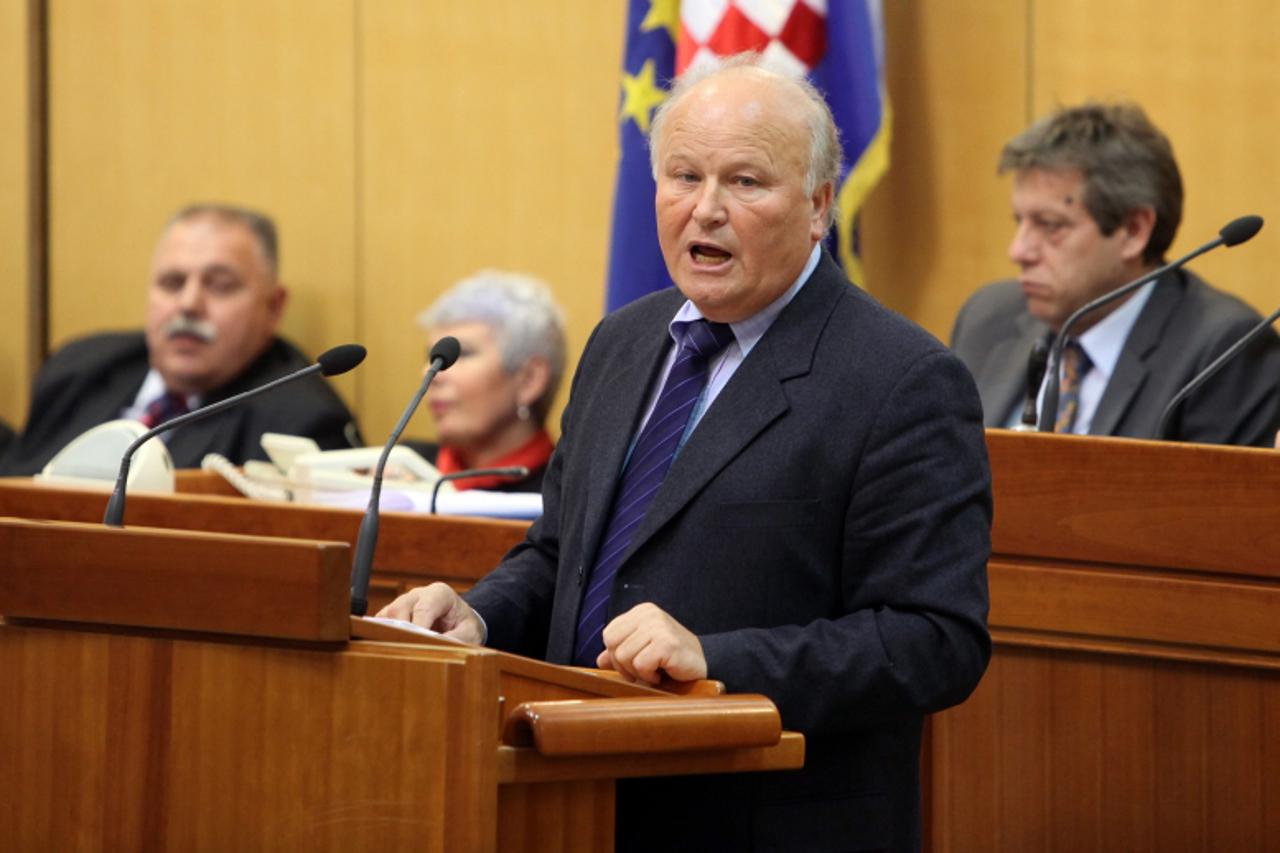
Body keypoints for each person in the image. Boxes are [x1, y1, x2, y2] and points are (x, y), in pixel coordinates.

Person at [379, 56, 991, 852]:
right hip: (569, 800)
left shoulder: (901, 379)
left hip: (761, 819)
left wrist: (714, 658)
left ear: (818, 205)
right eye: (683, 176)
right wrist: (479, 613)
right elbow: (562, 552)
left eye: (745, 182)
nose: (705, 211)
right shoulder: (624, 340)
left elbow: (935, 640)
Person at [951, 101, 1280, 445]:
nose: (1018, 251)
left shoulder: (1222, 351)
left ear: (1134, 230)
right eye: (1020, 223)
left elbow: (1214, 498)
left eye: (1050, 226)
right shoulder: (988, 317)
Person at [0, 203, 360, 476]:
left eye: (220, 286)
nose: (188, 304)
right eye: (172, 283)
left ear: (273, 307)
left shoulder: (300, 420)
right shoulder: (79, 367)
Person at [405, 270, 565, 493]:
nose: (430, 374)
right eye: (433, 358)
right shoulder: (403, 468)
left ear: (529, 380)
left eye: (461, 354)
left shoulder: (567, 496)